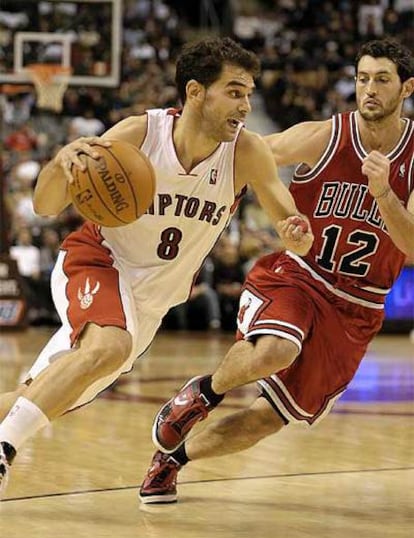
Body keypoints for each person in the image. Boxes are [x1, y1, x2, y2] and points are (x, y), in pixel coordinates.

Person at [0, 37, 312, 497]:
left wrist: (295, 232)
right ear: (195, 92)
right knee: (107, 346)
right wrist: (59, 165)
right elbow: (46, 205)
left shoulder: (246, 152)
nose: (246, 105)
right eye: (234, 91)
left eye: (249, 93)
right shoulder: (138, 135)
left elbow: (284, 213)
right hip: (97, 262)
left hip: (149, 305)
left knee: (40, 396)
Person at [139, 37, 414, 504]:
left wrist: (385, 193)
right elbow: (241, 155)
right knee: (275, 351)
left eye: (382, 80)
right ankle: (205, 391)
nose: (369, 89)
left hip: (359, 307)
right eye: (362, 78)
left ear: (406, 88)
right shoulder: (325, 135)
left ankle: (173, 459)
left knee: (268, 419)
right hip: (299, 275)